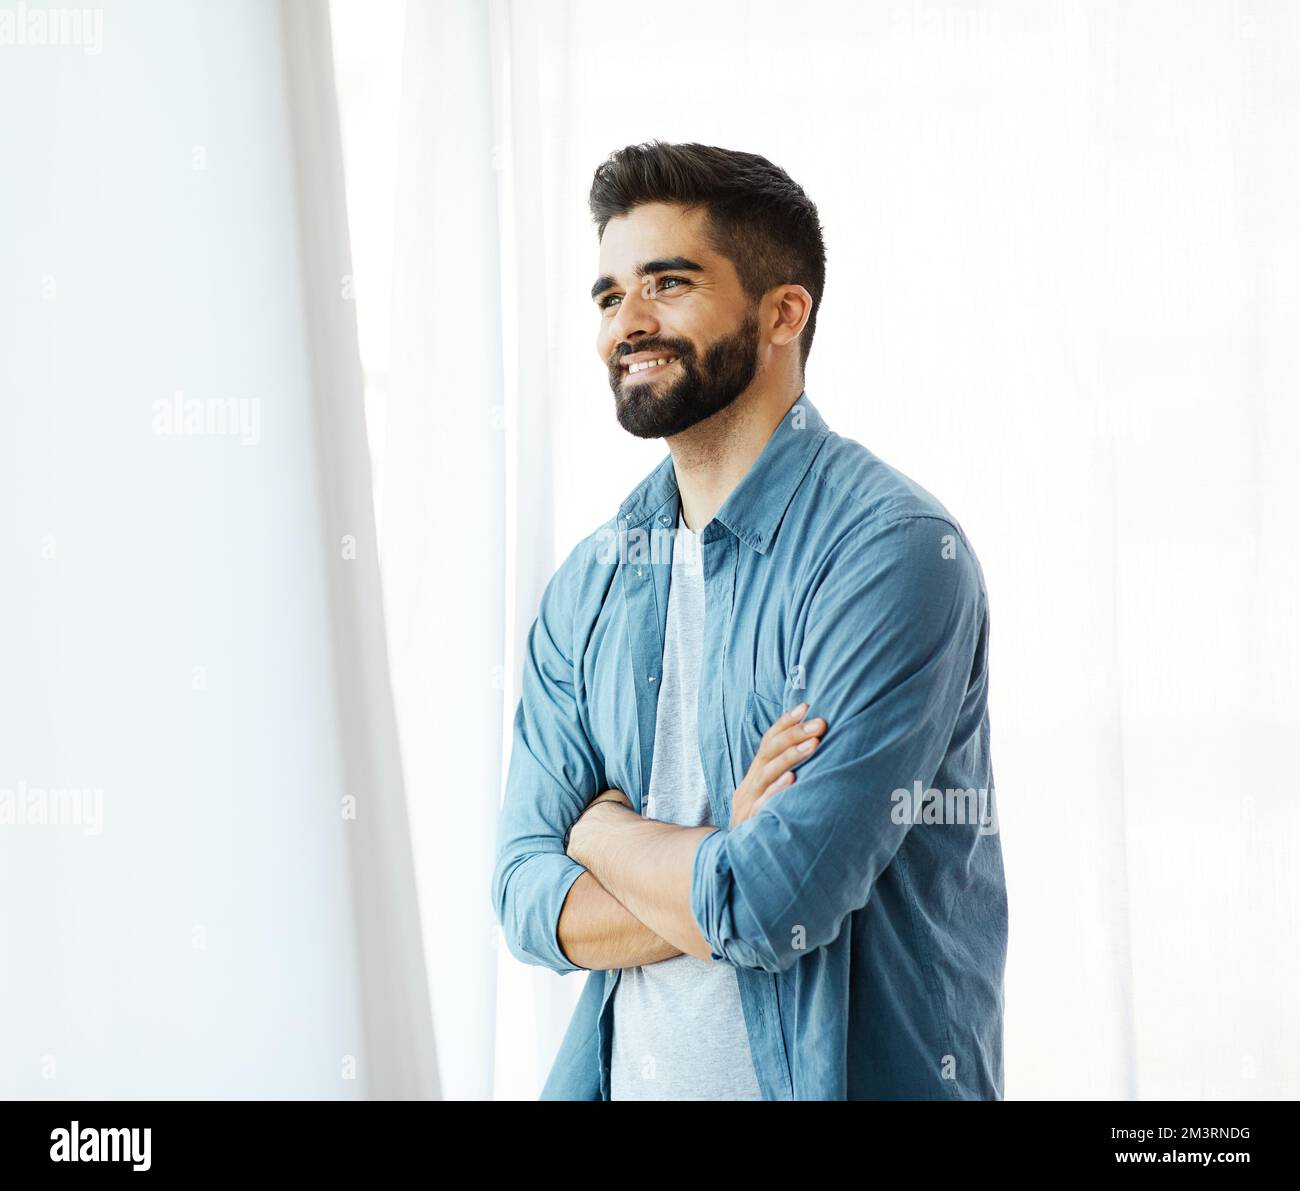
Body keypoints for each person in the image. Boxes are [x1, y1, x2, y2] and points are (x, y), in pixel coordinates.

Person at [491, 140, 1007, 1100]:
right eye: (608, 297)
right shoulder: (591, 584)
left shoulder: (891, 554)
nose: (627, 324)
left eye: (668, 284)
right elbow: (523, 896)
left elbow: (777, 901)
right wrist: (712, 851)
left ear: (784, 311)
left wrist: (601, 835)